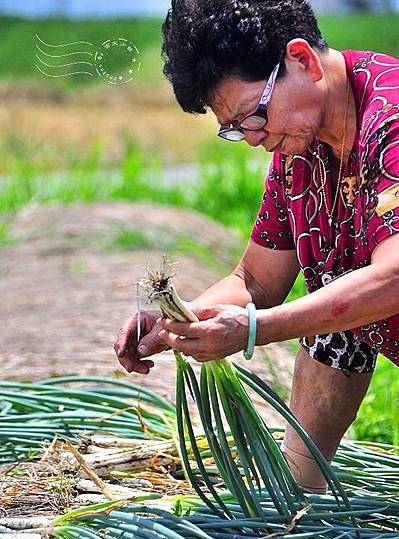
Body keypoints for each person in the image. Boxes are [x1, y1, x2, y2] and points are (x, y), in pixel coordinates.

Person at [114, 0, 399, 494]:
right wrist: (177, 319)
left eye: (253, 116)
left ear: (302, 60)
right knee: (331, 304)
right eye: (235, 128)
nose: (252, 138)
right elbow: (256, 280)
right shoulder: (300, 148)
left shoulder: (390, 119)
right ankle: (300, 499)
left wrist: (254, 330)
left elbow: (395, 277)